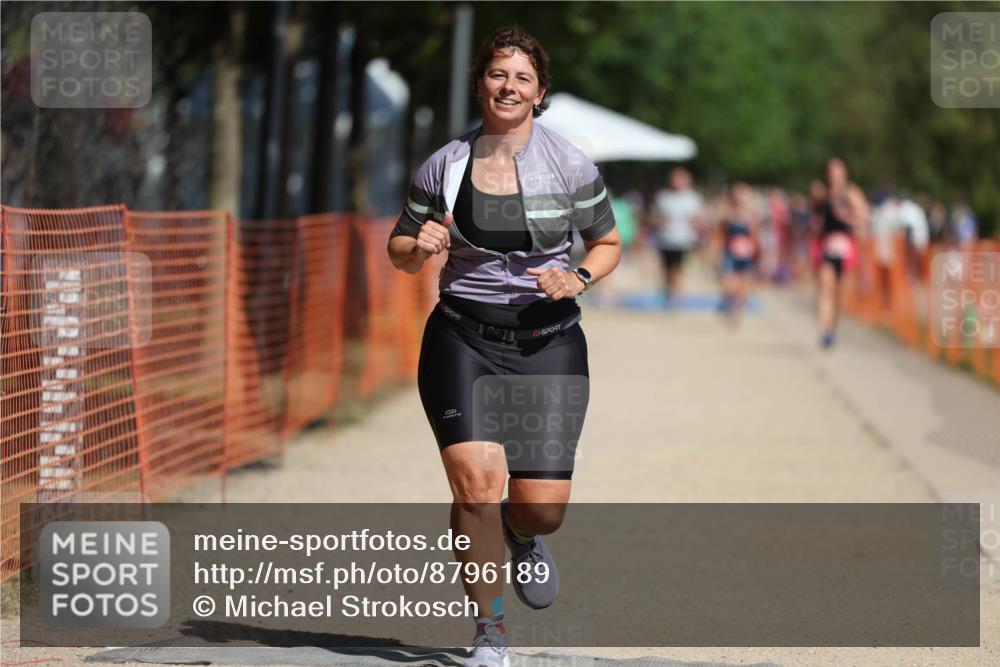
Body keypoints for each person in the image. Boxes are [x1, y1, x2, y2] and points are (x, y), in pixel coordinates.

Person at [386, 25, 621, 667]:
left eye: (522, 77)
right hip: (462, 337)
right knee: (475, 488)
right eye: (497, 73)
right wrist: (420, 247)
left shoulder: (570, 164)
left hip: (547, 341)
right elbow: (400, 249)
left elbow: (608, 243)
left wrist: (575, 276)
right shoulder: (446, 164)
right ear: (480, 83)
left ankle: (523, 535)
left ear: (540, 93)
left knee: (541, 508)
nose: (508, 86)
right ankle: (489, 633)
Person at [813, 157, 869, 348]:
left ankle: (833, 328)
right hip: (827, 246)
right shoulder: (824, 194)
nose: (835, 176)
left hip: (846, 248)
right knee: (825, 288)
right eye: (831, 173)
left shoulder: (851, 193)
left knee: (838, 293)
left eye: (838, 172)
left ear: (844, 173)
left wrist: (849, 219)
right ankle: (824, 330)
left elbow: (863, 218)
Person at [650, 167, 704, 305]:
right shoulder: (664, 196)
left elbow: (698, 220)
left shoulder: (692, 197)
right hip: (665, 238)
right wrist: (659, 222)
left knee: (677, 268)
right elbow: (656, 217)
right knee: (666, 268)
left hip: (683, 239)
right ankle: (670, 292)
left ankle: (676, 294)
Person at [713, 182, 759, 326]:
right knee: (729, 283)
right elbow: (719, 234)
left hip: (747, 254)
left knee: (744, 286)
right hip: (730, 253)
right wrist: (715, 252)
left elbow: (756, 237)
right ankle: (728, 302)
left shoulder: (752, 216)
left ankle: (737, 311)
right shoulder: (727, 214)